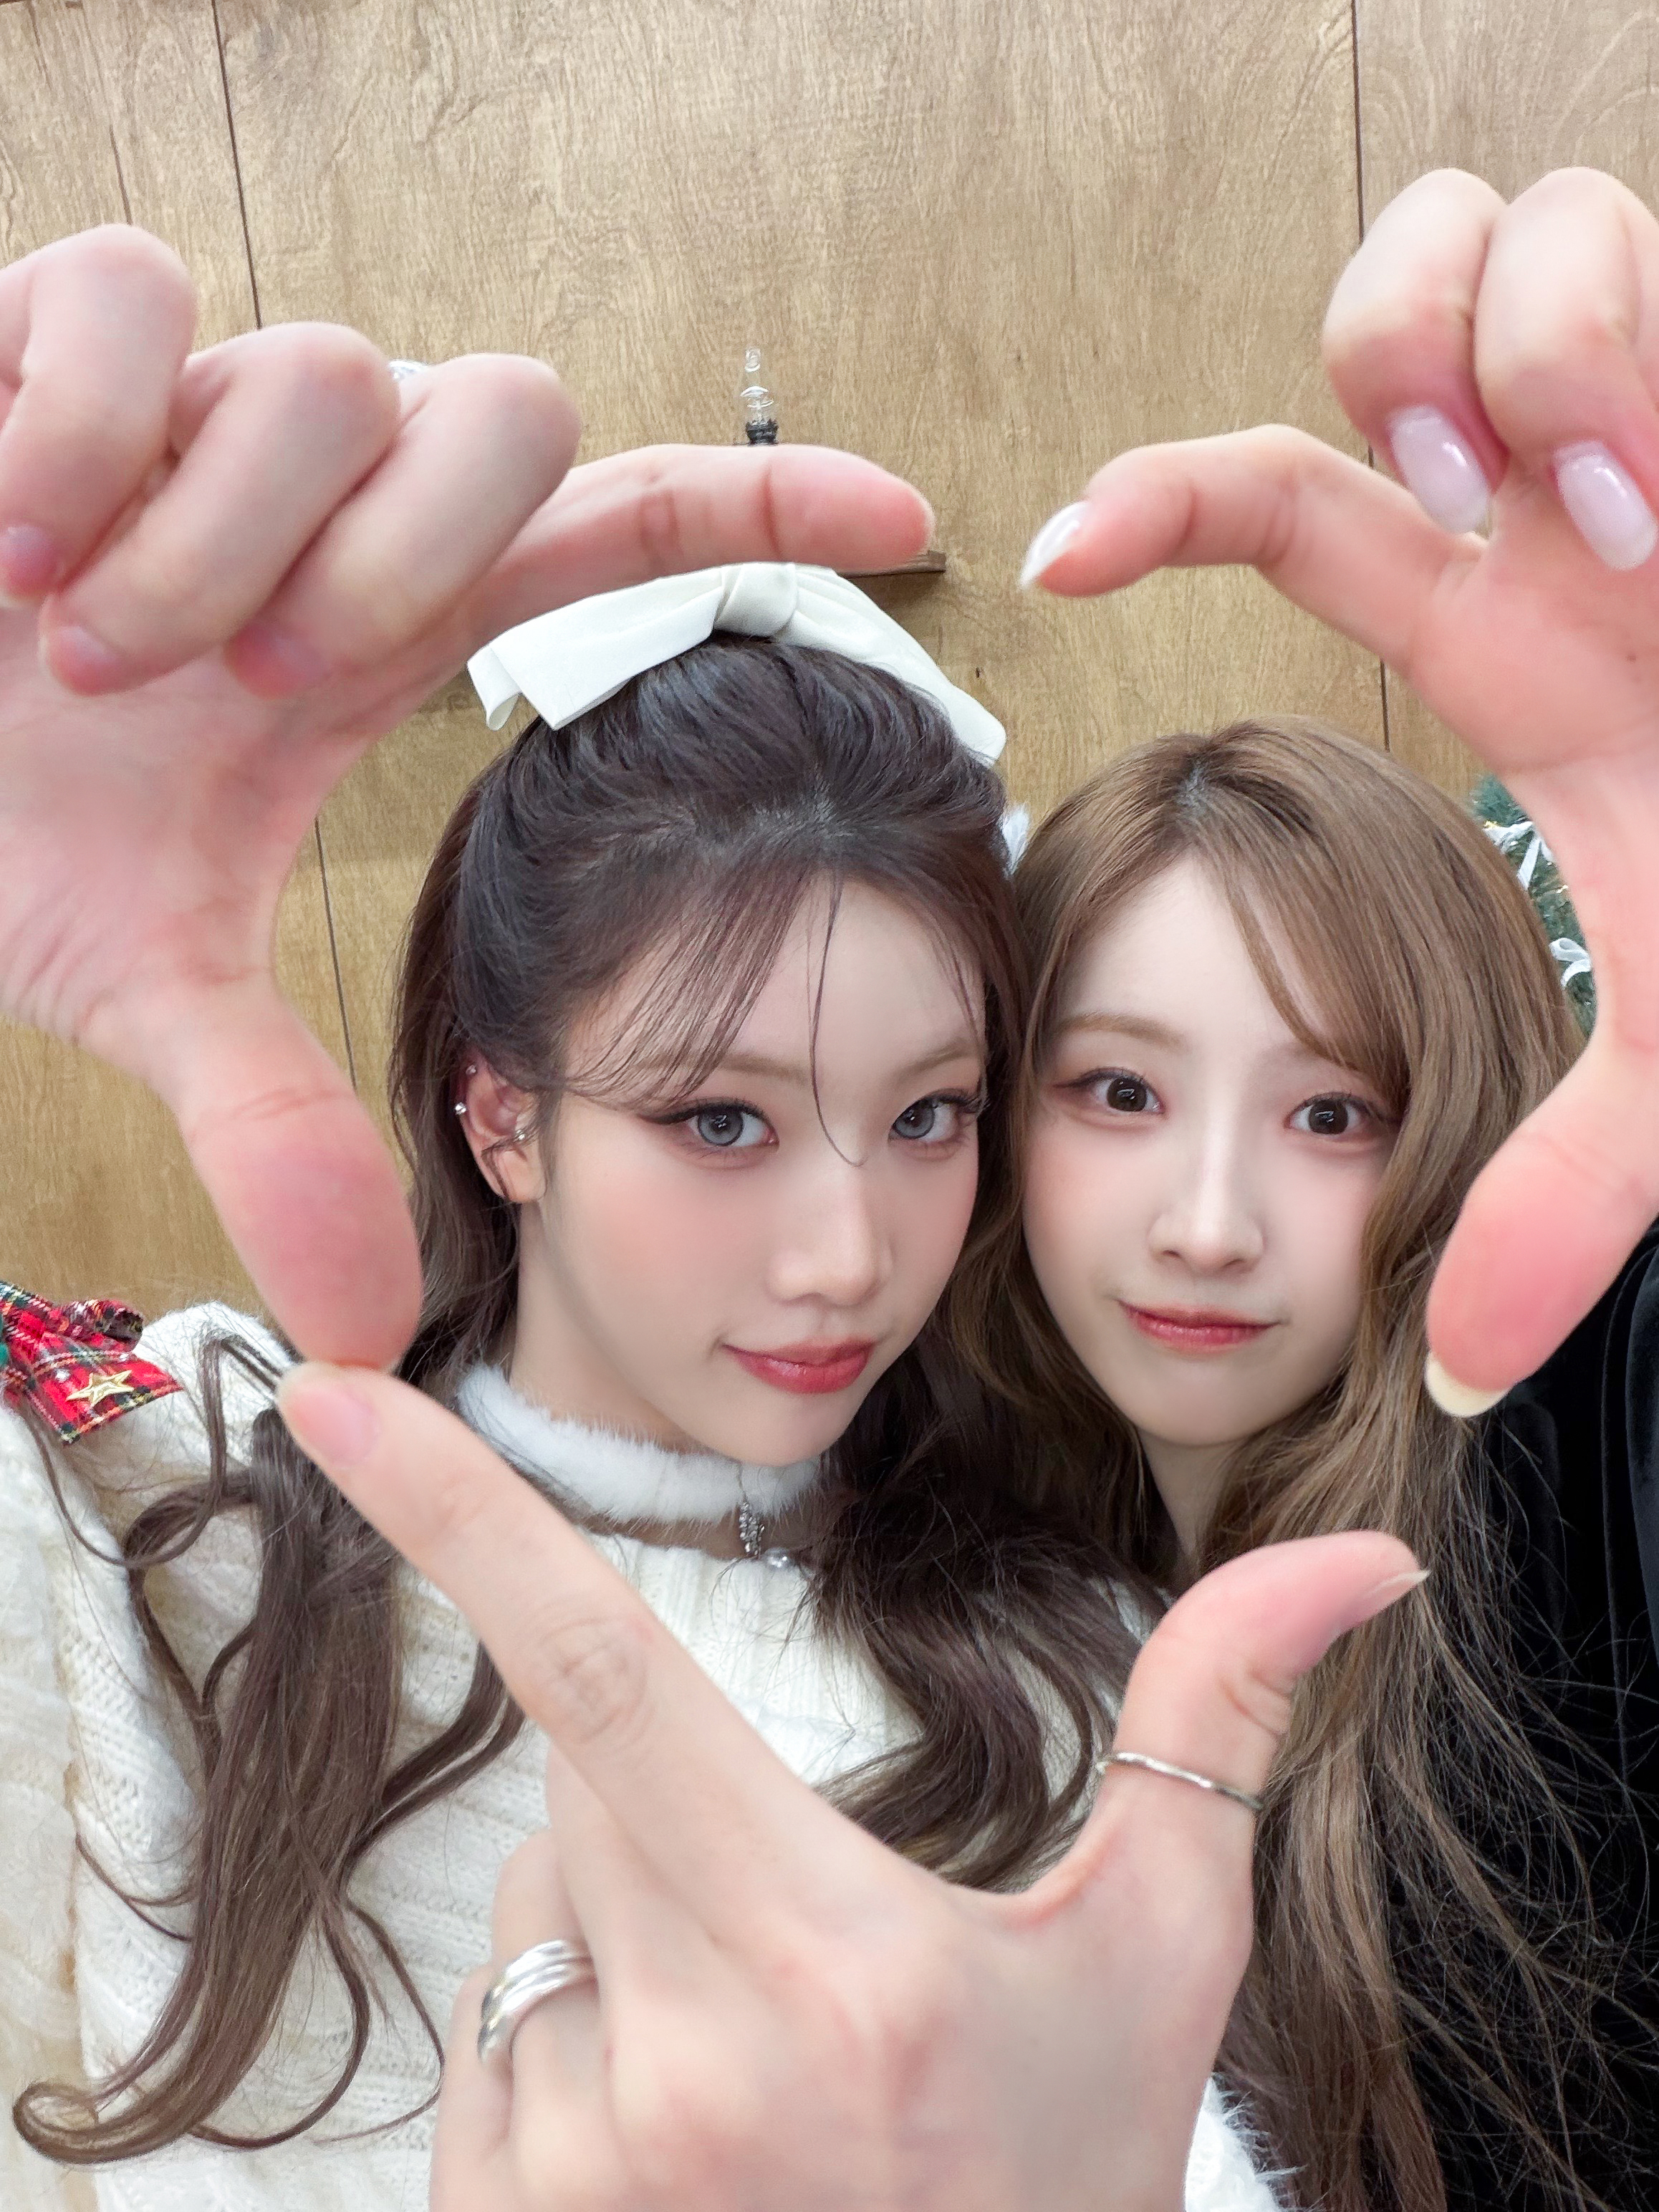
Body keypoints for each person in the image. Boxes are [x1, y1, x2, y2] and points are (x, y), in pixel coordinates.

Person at [958, 714, 1658, 2211]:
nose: (1209, 1225)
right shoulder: (941, 1563)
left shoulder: (1588, 1456)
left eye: (1331, 1115)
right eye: (1120, 1092)